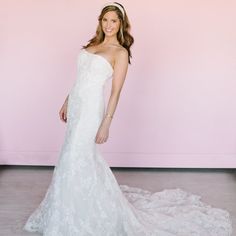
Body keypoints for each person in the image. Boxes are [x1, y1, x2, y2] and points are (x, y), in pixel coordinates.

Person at [23, 2, 232, 235]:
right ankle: (70, 207)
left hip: (92, 110)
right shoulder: (92, 44)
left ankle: (83, 213)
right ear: (100, 22)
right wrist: (67, 100)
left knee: (77, 155)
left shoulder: (120, 52)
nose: (109, 25)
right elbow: (81, 78)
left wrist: (106, 122)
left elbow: (115, 92)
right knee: (71, 156)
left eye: (114, 21)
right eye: (105, 20)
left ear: (121, 23)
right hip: (77, 106)